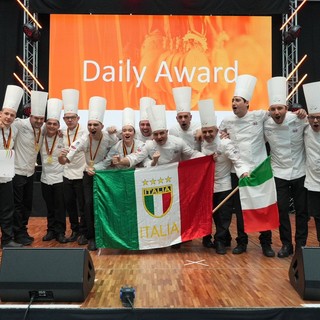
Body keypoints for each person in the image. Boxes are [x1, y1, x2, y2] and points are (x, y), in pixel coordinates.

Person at [219, 74, 275, 257]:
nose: (234, 103)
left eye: (237, 100)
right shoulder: (227, 121)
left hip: (258, 170)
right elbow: (220, 138)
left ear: (247, 103)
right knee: (241, 208)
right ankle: (241, 242)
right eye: (232, 100)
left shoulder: (259, 116)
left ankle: (266, 243)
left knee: (262, 205)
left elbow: (277, 115)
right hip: (238, 171)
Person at [59, 96, 118, 251]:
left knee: (106, 204)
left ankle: (109, 234)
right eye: (90, 124)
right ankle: (92, 237)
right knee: (88, 205)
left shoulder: (110, 138)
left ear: (101, 126)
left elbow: (113, 154)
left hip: (105, 175)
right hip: (88, 176)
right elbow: (71, 151)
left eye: (95, 125)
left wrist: (97, 167)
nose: (92, 127)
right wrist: (64, 157)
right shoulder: (84, 139)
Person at [264, 76, 308, 258]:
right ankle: (286, 245)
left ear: (286, 109)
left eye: (279, 108)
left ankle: (301, 245)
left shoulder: (298, 119)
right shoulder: (265, 123)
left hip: (300, 171)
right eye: (273, 109)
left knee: (302, 211)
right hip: (279, 172)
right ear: (269, 110)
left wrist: (305, 112)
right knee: (281, 210)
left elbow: (316, 124)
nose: (276, 112)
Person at [199, 99, 249, 254]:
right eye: (205, 131)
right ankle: (222, 238)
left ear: (216, 130)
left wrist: (243, 172)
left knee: (224, 215)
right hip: (208, 186)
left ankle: (220, 241)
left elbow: (237, 160)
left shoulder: (226, 143)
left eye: (210, 131)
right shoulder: (200, 143)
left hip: (225, 184)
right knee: (213, 214)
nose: (208, 134)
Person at [113, 104, 204, 168]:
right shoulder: (149, 145)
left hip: (176, 175)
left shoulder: (178, 142)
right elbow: (135, 157)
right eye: (156, 134)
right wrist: (121, 161)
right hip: (158, 179)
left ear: (167, 132)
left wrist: (208, 158)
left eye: (161, 133)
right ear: (152, 135)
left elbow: (193, 154)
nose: (159, 137)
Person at [12, 90, 48, 245]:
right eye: (36, 118)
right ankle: (15, 233)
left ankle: (22, 231)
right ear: (30, 116)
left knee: (27, 205)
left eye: (41, 118)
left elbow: (55, 129)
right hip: (16, 172)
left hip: (30, 172)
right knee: (17, 206)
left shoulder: (43, 128)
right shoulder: (19, 124)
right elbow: (7, 122)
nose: (39, 121)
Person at [61, 89, 87, 244]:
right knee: (70, 206)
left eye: (72, 118)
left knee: (82, 206)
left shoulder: (85, 131)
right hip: (67, 174)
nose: (69, 120)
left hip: (81, 173)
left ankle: (83, 232)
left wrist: (68, 156)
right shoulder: (62, 132)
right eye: (67, 118)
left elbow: (78, 145)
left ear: (78, 118)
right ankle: (74, 230)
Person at [40, 98, 67, 244]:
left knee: (60, 207)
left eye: (54, 124)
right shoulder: (41, 136)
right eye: (49, 123)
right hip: (45, 178)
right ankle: (50, 230)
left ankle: (60, 232)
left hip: (59, 178)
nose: (51, 126)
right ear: (46, 124)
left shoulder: (63, 138)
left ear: (58, 125)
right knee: (49, 206)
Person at [0, 85, 24, 248]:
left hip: (6, 172)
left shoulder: (14, 128)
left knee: (7, 208)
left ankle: (7, 240)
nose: (9, 117)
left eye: (12, 115)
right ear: (1, 114)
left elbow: (34, 123)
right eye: (6, 114)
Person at [303, 81, 320, 245]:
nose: (315, 121)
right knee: (317, 217)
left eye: (319, 118)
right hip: (314, 183)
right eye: (312, 117)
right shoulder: (305, 129)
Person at [169, 86, 202, 158]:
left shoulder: (199, 126)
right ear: (177, 119)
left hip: (198, 160)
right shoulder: (173, 130)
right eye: (180, 117)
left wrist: (201, 130)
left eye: (185, 117)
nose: (183, 120)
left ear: (190, 117)